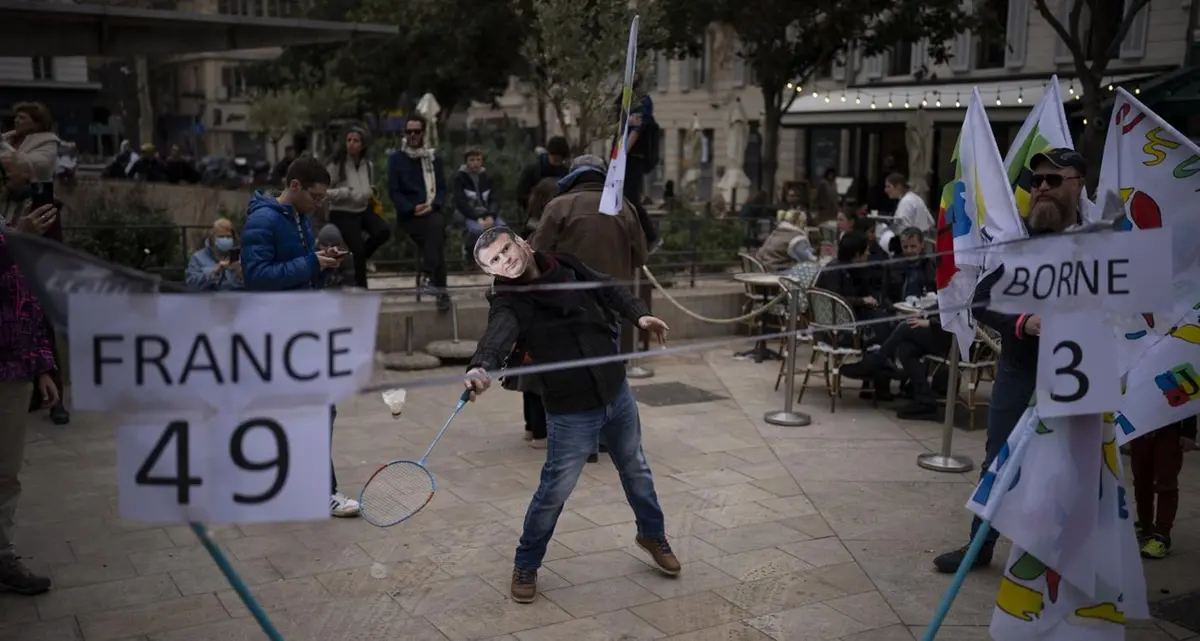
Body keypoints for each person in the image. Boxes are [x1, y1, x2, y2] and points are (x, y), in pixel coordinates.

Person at [464, 226, 680, 604]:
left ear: (523, 243)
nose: (506, 259)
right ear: (492, 273)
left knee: (636, 468)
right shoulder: (510, 303)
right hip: (570, 408)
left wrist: (639, 316)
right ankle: (526, 563)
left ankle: (651, 534)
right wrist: (482, 366)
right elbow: (497, 336)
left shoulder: (568, 264)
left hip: (616, 392)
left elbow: (609, 288)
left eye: (505, 249)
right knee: (554, 491)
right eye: (494, 261)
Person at [932, 147, 1088, 573]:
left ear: (1077, 184)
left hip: (1079, 380)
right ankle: (979, 547)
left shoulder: (1103, 242)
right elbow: (981, 301)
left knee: (1068, 470)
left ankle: (1056, 556)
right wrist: (1025, 321)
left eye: (1052, 181)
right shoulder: (1017, 243)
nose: (1040, 189)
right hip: (1020, 371)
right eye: (1035, 181)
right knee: (997, 460)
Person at [240, 157, 360, 518]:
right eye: (317, 195)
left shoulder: (302, 219)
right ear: (295, 187)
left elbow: (299, 273)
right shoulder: (263, 220)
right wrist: (312, 264)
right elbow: (257, 276)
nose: (320, 203)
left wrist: (321, 262)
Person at [0, 205, 62, 596]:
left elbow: (28, 300)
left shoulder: (10, 226)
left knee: (6, 473)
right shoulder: (11, 233)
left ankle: (3, 557)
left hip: (14, 372)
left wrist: (42, 366)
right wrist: (12, 242)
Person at [387, 115, 450, 311]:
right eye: (409, 131)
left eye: (417, 131)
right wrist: (412, 208)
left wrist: (433, 205)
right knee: (436, 237)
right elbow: (393, 191)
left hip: (432, 210)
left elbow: (442, 189)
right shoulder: (396, 159)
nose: (413, 135)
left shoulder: (433, 158)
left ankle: (429, 275)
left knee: (436, 227)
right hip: (410, 215)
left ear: (423, 133)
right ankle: (440, 291)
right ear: (405, 134)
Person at [326, 127, 392, 289]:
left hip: (362, 209)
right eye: (349, 140)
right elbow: (323, 191)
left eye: (356, 141)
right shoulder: (336, 165)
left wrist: (371, 192)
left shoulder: (368, 165)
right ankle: (361, 287)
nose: (351, 144)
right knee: (357, 250)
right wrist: (343, 193)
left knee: (383, 231)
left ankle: (360, 258)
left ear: (362, 145)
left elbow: (370, 185)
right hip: (342, 212)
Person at [1131, 416, 1197, 559]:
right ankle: (1144, 525)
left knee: (1166, 484)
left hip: (1169, 430)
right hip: (1139, 429)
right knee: (1141, 482)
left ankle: (1162, 536)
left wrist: (1189, 433)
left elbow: (1188, 396)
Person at [452, 147, 504, 261]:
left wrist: (491, 215)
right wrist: (476, 217)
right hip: (468, 214)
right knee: (477, 231)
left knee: (502, 229)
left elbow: (494, 198)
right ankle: (470, 256)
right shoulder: (460, 178)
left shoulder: (487, 176)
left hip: (486, 212)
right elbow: (461, 202)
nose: (475, 163)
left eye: (478, 160)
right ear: (466, 162)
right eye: (472, 160)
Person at [2, 103, 59, 185]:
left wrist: (3, 145)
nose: (16, 120)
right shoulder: (8, 137)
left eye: (22, 118)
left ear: (37, 123)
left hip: (34, 191)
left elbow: (36, 165)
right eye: (16, 117)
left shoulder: (48, 142)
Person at [185, 218, 244, 292]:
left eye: (228, 237)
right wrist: (214, 272)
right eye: (221, 237)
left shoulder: (240, 258)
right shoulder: (198, 258)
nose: (225, 239)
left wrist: (239, 275)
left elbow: (251, 287)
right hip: (207, 301)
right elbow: (191, 285)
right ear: (212, 238)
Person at [516, 136, 570, 215]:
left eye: (560, 160)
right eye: (555, 159)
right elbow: (521, 194)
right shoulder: (532, 170)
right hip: (536, 214)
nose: (557, 163)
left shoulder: (566, 173)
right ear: (549, 154)